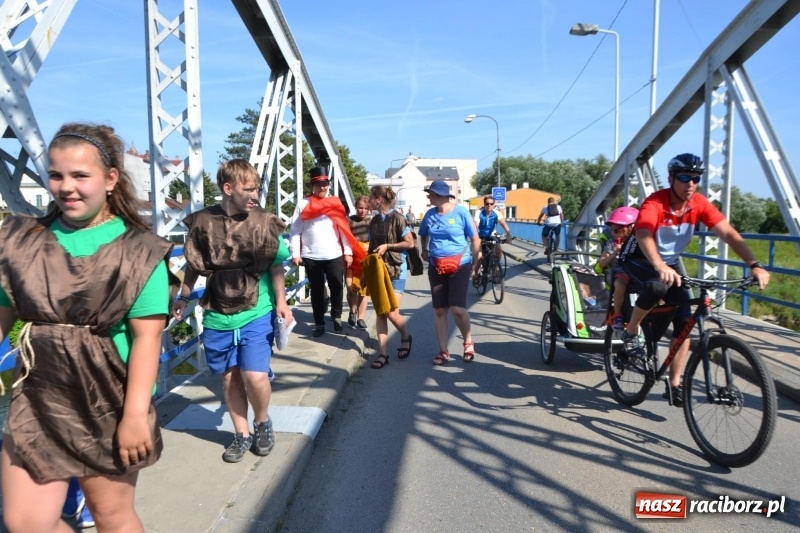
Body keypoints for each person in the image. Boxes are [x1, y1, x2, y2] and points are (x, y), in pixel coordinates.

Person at [0, 122, 175, 531]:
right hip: (38, 396)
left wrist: (134, 415)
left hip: (108, 398)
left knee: (111, 516)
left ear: (111, 178)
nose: (66, 187)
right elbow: (3, 313)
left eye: (80, 176)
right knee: (25, 523)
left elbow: (147, 339)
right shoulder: (19, 241)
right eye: (56, 175)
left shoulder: (140, 251)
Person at [618, 153, 770, 407]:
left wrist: (754, 265)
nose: (690, 183)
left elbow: (730, 234)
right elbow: (643, 233)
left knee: (684, 322)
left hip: (670, 262)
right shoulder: (655, 202)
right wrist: (658, 264)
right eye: (685, 177)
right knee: (656, 285)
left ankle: (675, 383)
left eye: (696, 178)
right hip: (640, 257)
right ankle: (632, 331)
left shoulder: (698, 203)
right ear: (671, 179)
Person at [172, 158, 293, 463]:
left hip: (257, 309)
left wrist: (281, 300)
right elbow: (194, 265)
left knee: (254, 376)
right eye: (249, 189)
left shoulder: (264, 221)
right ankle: (241, 434)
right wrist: (184, 298)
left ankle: (262, 422)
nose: (255, 195)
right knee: (230, 380)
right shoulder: (203, 223)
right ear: (228, 189)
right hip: (217, 312)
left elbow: (276, 262)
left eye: (257, 189)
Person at [289, 167, 366, 337]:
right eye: (318, 184)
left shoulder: (335, 203)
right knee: (316, 290)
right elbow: (295, 231)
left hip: (334, 254)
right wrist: (295, 253)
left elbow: (343, 229)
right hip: (311, 255)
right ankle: (319, 323)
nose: (321, 187)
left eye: (324, 184)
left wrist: (347, 251)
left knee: (337, 287)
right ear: (312, 186)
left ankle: (337, 317)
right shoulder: (303, 204)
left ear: (328, 185)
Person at [418, 180, 481, 364]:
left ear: (439, 195)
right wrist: (424, 249)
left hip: (460, 265)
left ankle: (467, 341)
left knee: (457, 308)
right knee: (439, 310)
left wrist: (476, 261)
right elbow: (423, 234)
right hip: (436, 265)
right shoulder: (430, 215)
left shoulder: (461, 212)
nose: (428, 197)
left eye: (430, 194)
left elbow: (474, 238)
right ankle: (443, 350)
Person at [365, 186, 414, 369]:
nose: (369, 201)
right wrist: (365, 273)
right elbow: (371, 248)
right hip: (379, 271)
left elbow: (409, 243)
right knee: (380, 312)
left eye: (371, 198)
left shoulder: (398, 218)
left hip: (396, 270)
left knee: (391, 312)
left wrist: (388, 246)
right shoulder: (375, 220)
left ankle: (405, 335)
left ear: (378, 199)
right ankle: (383, 354)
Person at [593, 206, 639, 330]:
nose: (613, 232)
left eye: (617, 229)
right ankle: (618, 314)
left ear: (631, 228)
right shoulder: (611, 244)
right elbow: (601, 264)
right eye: (612, 229)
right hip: (619, 273)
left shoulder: (638, 241)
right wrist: (614, 254)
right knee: (620, 284)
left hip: (636, 272)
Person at [472, 195, 512, 285]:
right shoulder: (479, 213)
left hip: (491, 236)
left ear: (494, 205)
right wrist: (475, 238)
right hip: (480, 236)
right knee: (479, 257)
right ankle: (476, 275)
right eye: (487, 204)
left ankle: (494, 272)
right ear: (484, 204)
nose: (489, 205)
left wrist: (509, 235)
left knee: (498, 252)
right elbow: (476, 225)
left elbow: (503, 224)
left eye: (491, 204)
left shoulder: (496, 213)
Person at [346, 195, 371, 330]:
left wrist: (370, 245)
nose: (362, 211)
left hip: (365, 261)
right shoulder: (350, 221)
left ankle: (360, 318)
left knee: (364, 291)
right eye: (360, 208)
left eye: (366, 208)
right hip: (351, 260)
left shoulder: (372, 222)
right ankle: (352, 311)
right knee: (350, 288)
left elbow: (377, 240)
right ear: (356, 207)